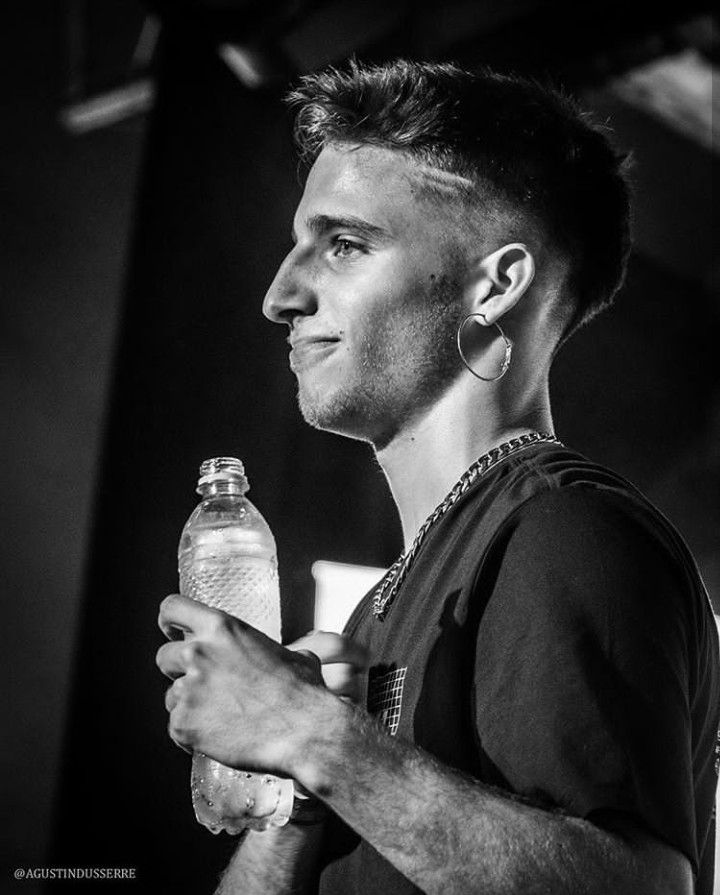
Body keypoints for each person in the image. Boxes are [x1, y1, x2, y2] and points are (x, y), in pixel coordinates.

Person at [156, 60, 720, 894]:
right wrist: (301, 792)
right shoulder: (381, 603)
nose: (282, 294)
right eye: (296, 246)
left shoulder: (567, 532)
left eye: (344, 244)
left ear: (494, 284)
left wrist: (314, 733)